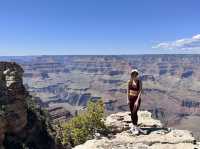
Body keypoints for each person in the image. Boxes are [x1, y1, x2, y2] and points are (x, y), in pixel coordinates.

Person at [127, 69, 142, 135]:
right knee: (132, 113)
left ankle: (135, 127)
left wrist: (137, 101)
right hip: (131, 98)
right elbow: (127, 91)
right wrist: (127, 99)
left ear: (137, 75)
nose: (134, 75)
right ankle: (133, 126)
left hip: (136, 99)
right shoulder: (129, 82)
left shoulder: (139, 81)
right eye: (133, 74)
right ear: (131, 75)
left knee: (134, 112)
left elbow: (140, 92)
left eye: (135, 74)